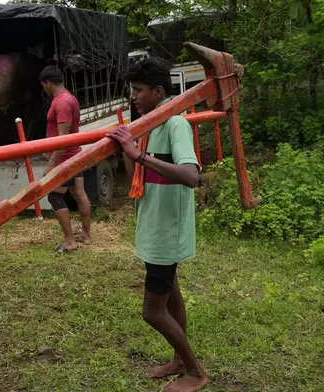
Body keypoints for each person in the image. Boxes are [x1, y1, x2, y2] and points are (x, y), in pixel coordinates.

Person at [106, 57, 208, 392]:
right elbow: (136, 172)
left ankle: (195, 372)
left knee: (152, 311)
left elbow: (192, 176)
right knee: (172, 296)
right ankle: (179, 362)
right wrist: (125, 147)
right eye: (132, 90)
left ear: (159, 91)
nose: (133, 96)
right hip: (153, 223)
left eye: (138, 90)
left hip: (167, 229)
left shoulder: (174, 124)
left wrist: (137, 155)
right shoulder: (150, 122)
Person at [39, 65, 92, 253]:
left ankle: (70, 241)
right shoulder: (70, 98)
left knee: (54, 195)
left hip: (65, 158)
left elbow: (63, 138)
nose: (44, 90)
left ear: (47, 83)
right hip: (74, 155)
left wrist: (52, 162)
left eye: (43, 86)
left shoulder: (61, 102)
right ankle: (86, 235)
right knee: (79, 193)